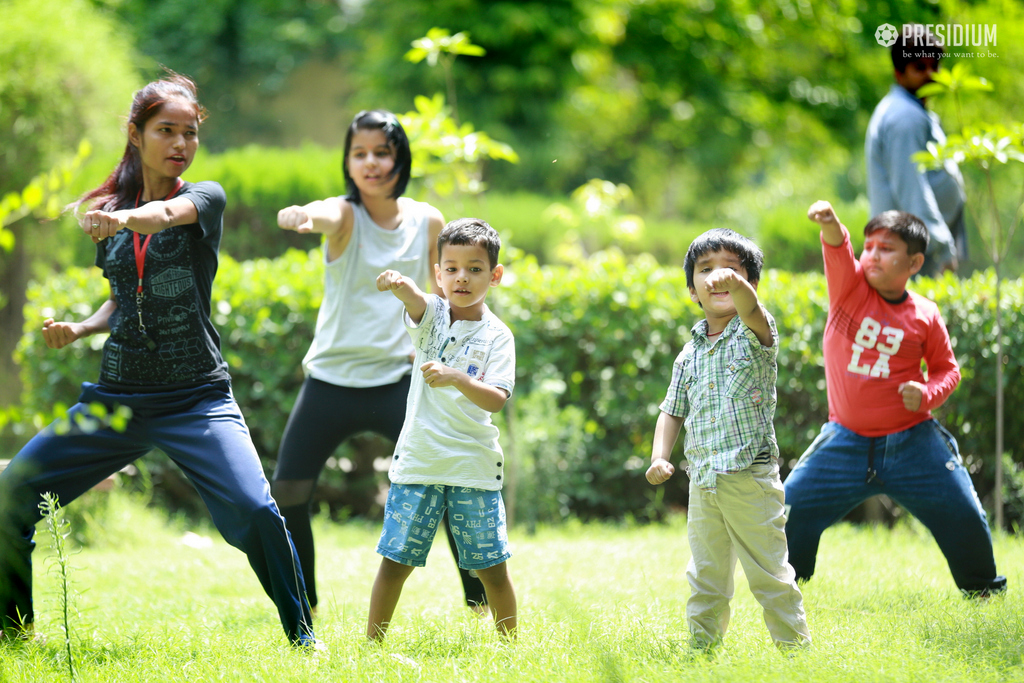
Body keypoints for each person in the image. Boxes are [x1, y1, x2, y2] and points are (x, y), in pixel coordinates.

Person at [0, 74, 318, 648]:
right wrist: (82, 328)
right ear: (135, 134)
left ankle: (303, 637)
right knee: (12, 494)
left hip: (196, 398)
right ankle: (13, 632)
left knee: (255, 511)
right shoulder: (108, 214)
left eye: (189, 133)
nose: (179, 144)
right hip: (118, 400)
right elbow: (124, 294)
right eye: (165, 131)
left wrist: (120, 218)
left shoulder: (204, 199)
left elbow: (163, 218)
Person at [271, 110, 487, 616]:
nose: (370, 162)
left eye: (382, 152)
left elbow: (445, 288)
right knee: (288, 494)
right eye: (359, 153)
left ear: (399, 157)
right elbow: (325, 213)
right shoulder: (345, 216)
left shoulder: (427, 220)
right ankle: (304, 605)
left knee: (453, 488)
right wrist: (303, 213)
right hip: (330, 382)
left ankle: (479, 602)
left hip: (398, 382)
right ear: (348, 161)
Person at [784, 200, 1006, 596]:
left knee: (963, 512)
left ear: (915, 263)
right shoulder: (849, 289)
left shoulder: (925, 314)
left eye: (886, 249)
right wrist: (832, 224)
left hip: (913, 441)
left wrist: (926, 394)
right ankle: (784, 587)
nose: (872, 256)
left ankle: (984, 591)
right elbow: (838, 249)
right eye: (869, 247)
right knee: (791, 507)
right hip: (845, 441)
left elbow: (947, 370)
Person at [646, 228, 810, 650]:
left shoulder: (754, 333)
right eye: (706, 270)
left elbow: (752, 310)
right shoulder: (690, 353)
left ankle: (796, 652)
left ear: (751, 283)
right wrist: (659, 456)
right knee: (706, 575)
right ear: (692, 290)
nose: (718, 277)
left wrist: (739, 290)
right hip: (703, 481)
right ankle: (702, 651)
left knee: (768, 573)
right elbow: (671, 410)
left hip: (749, 479)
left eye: (733, 270)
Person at [367, 218, 517, 641]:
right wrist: (398, 283)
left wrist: (458, 378)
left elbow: (496, 399)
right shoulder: (431, 315)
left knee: (491, 568)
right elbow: (415, 300)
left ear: (495, 275)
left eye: (474, 268)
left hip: (473, 466)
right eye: (450, 268)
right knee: (395, 561)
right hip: (419, 462)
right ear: (438, 274)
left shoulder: (498, 336)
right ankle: (371, 646)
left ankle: (511, 649)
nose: (461, 277)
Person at [866, 24, 966, 276]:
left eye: (935, 65)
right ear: (899, 73)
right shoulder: (904, 118)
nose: (930, 74)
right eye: (919, 67)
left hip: (916, 248)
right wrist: (943, 247)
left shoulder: (910, 111)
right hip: (915, 251)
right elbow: (912, 190)